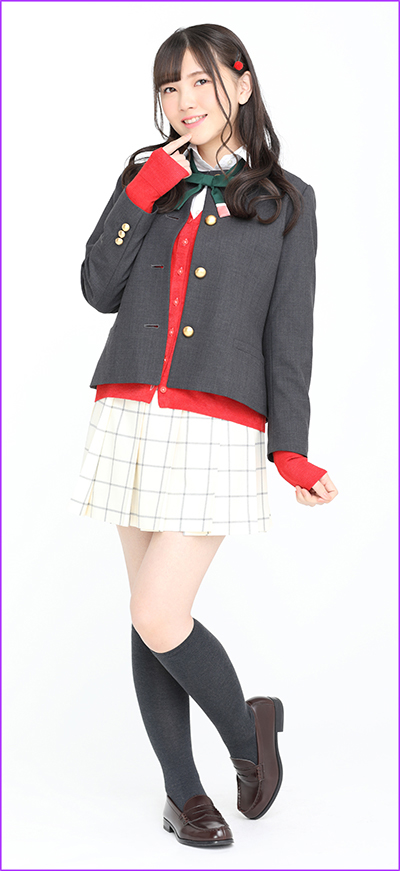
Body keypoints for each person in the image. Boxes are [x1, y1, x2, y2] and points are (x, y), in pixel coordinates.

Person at [69, 23, 338, 849]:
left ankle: (248, 729)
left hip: (217, 423)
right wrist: (143, 189)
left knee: (159, 611)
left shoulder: (288, 200)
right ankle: (183, 793)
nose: (184, 100)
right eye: (169, 86)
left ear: (242, 84)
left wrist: (290, 447)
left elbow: (290, 334)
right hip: (129, 409)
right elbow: (98, 287)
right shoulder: (148, 178)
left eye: (200, 81)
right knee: (148, 613)